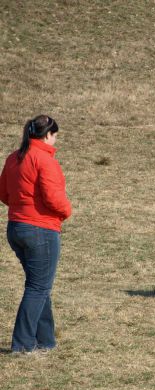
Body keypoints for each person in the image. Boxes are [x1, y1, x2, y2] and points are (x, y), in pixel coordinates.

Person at [0, 115, 72, 353]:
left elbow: (4, 193)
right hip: (41, 230)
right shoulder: (45, 160)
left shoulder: (14, 158)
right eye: (55, 136)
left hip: (16, 228)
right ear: (48, 135)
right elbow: (53, 198)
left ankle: (46, 340)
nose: (55, 141)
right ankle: (22, 345)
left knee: (39, 285)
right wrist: (67, 210)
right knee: (38, 287)